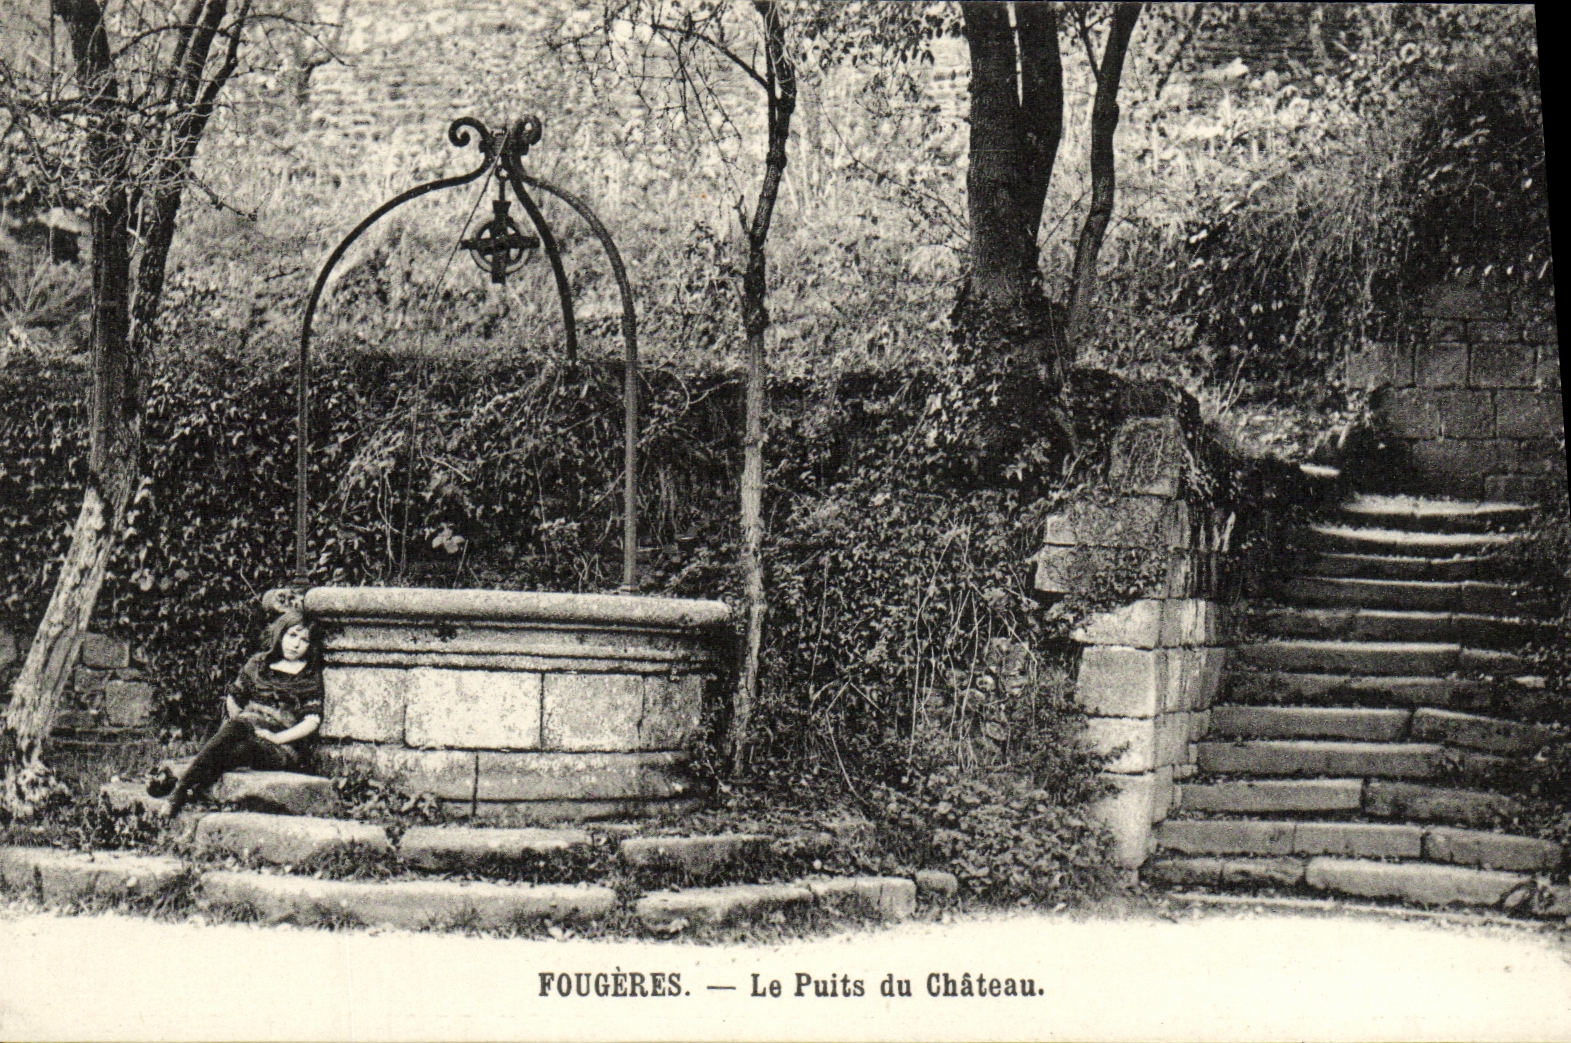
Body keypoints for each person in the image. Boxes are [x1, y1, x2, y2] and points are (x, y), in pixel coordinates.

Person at [149, 609, 323, 816]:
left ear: (310, 645)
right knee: (232, 750)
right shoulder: (259, 664)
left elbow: (312, 720)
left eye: (304, 640)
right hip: (246, 729)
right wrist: (241, 723)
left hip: (281, 747)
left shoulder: (309, 675)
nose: (296, 644)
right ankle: (187, 789)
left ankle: (177, 789)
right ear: (280, 634)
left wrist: (277, 737)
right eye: (292, 635)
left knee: (239, 744)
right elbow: (234, 698)